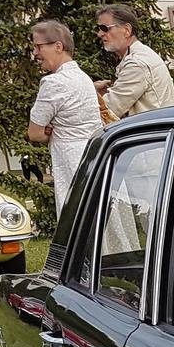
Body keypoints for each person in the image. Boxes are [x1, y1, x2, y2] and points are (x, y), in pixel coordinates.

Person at [26, 19, 102, 212]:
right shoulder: (84, 78)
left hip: (71, 163)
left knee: (77, 221)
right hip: (96, 159)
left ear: (58, 46)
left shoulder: (53, 83)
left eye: (38, 46)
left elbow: (34, 134)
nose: (35, 53)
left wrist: (50, 131)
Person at [93, 3, 174, 119]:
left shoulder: (136, 64)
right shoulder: (140, 55)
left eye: (105, 28)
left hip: (151, 134)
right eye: (99, 29)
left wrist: (90, 91)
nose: (100, 34)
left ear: (127, 30)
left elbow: (108, 112)